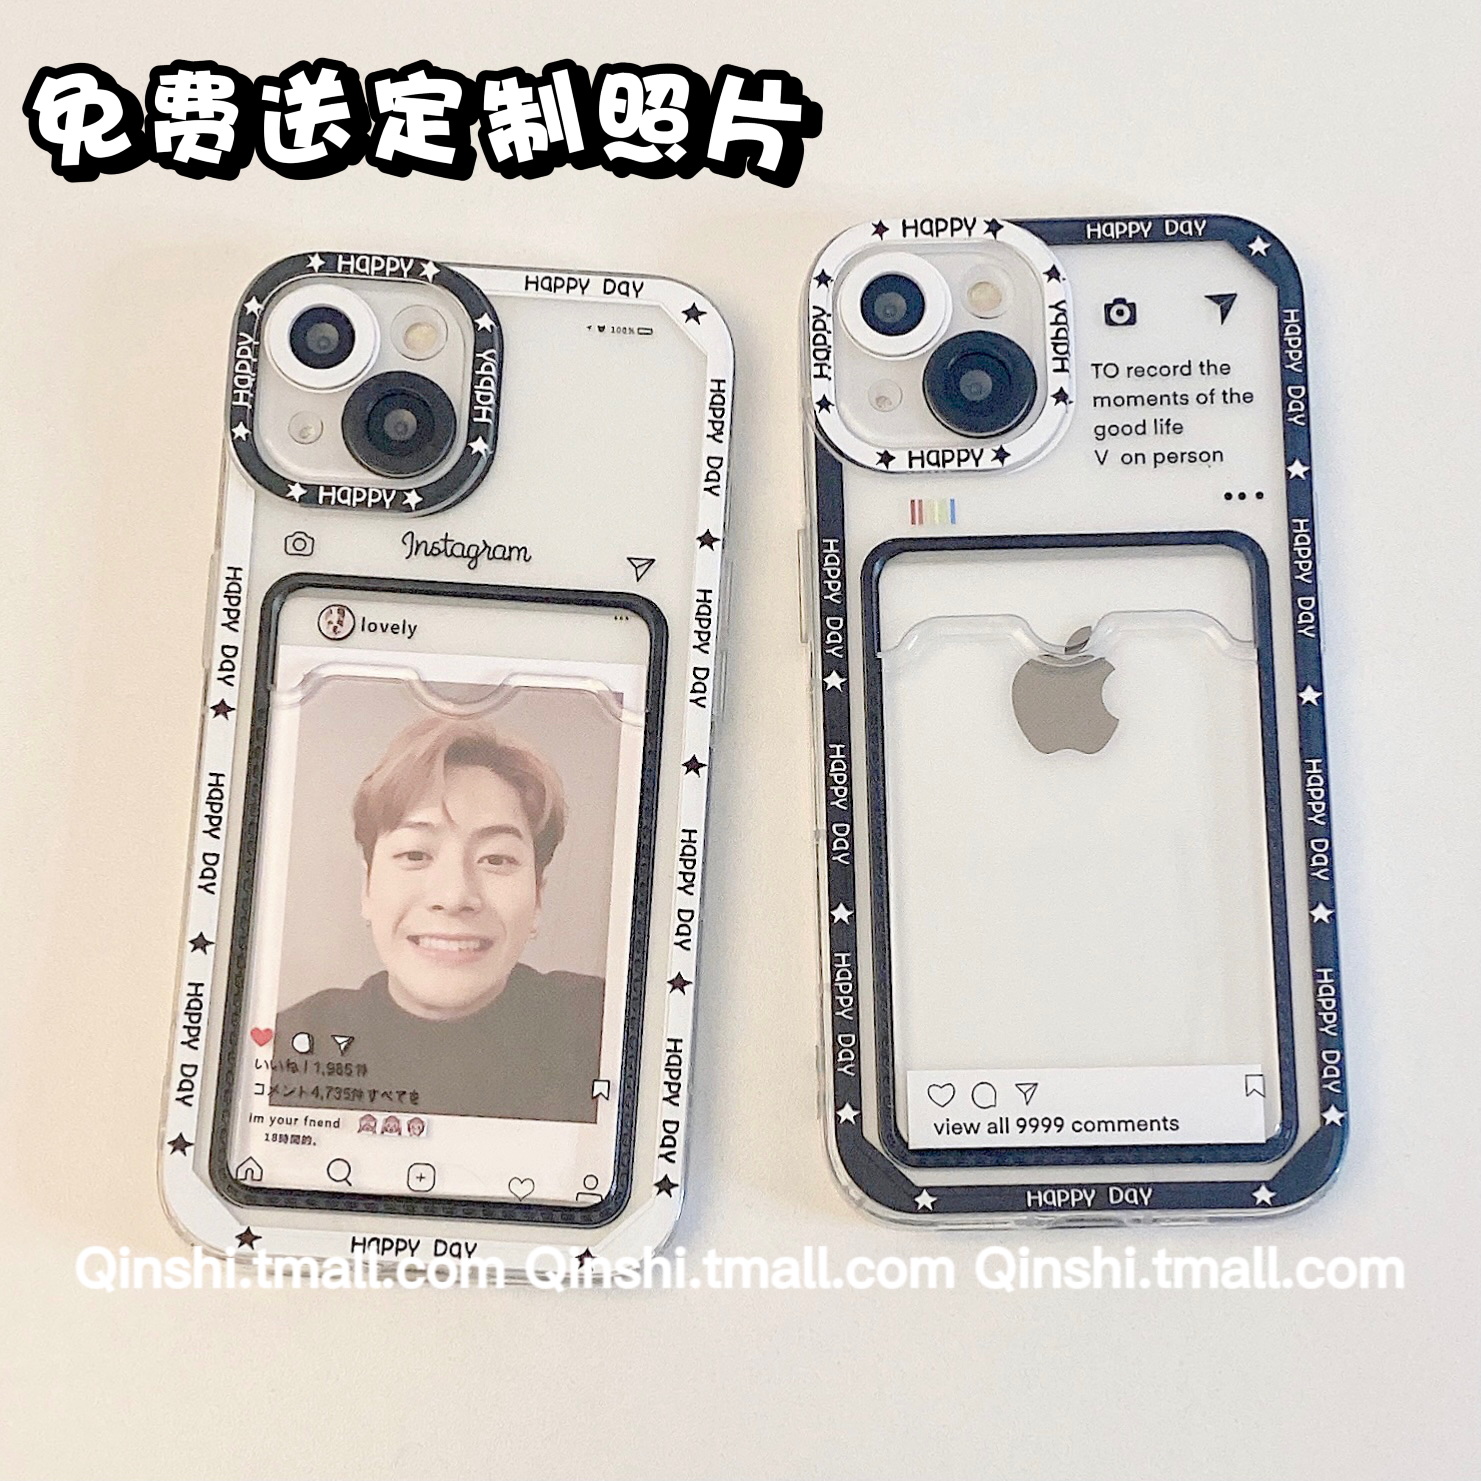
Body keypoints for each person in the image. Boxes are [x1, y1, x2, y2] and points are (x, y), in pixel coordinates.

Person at [273, 713, 604, 1123]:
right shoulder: (292, 1047)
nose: (454, 896)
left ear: (537, 896)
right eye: (415, 854)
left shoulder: (609, 1028)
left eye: (496, 859)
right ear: (367, 888)